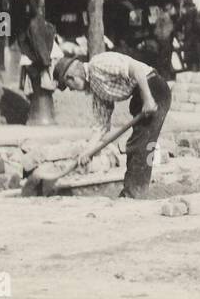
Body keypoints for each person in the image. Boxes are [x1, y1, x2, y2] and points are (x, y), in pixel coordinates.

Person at [53, 49, 171, 199]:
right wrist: (88, 151)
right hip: (140, 95)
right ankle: (136, 191)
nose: (72, 89)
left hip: (153, 88)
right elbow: (101, 127)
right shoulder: (97, 90)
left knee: (140, 144)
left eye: (69, 86)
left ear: (71, 78)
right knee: (140, 144)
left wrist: (148, 99)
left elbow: (136, 69)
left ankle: (133, 194)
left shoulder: (99, 64)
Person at [180, 1, 200, 72]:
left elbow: (181, 25)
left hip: (191, 38)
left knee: (191, 55)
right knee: (198, 54)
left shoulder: (187, 14)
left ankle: (192, 69)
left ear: (187, 7)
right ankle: (199, 67)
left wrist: (183, 36)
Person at [153, 3, 177, 80]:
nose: (174, 10)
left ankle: (164, 75)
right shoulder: (166, 18)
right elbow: (167, 30)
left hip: (162, 40)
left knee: (163, 58)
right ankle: (165, 76)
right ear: (169, 9)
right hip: (165, 40)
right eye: (172, 8)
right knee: (165, 59)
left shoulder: (161, 17)